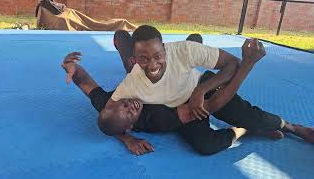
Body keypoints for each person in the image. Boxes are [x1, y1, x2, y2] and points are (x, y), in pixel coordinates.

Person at [100, 25, 314, 154]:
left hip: (203, 86)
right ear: (135, 60)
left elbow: (232, 64)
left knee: (248, 115)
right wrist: (128, 139)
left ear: (165, 49)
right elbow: (108, 115)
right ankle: (244, 130)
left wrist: (200, 90)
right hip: (181, 111)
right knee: (205, 146)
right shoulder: (131, 83)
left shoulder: (184, 51)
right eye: (144, 60)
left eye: (157, 56)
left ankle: (293, 127)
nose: (153, 65)